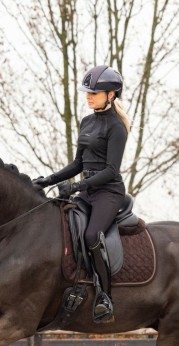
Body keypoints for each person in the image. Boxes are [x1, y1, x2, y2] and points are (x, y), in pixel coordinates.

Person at [32, 65, 131, 323]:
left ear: (111, 94)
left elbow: (111, 170)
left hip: (108, 192)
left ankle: (104, 296)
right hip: (87, 190)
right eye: (87, 92)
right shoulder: (86, 121)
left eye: (94, 93)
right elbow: (78, 164)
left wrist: (76, 187)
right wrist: (48, 180)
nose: (88, 96)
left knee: (90, 234)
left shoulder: (116, 127)